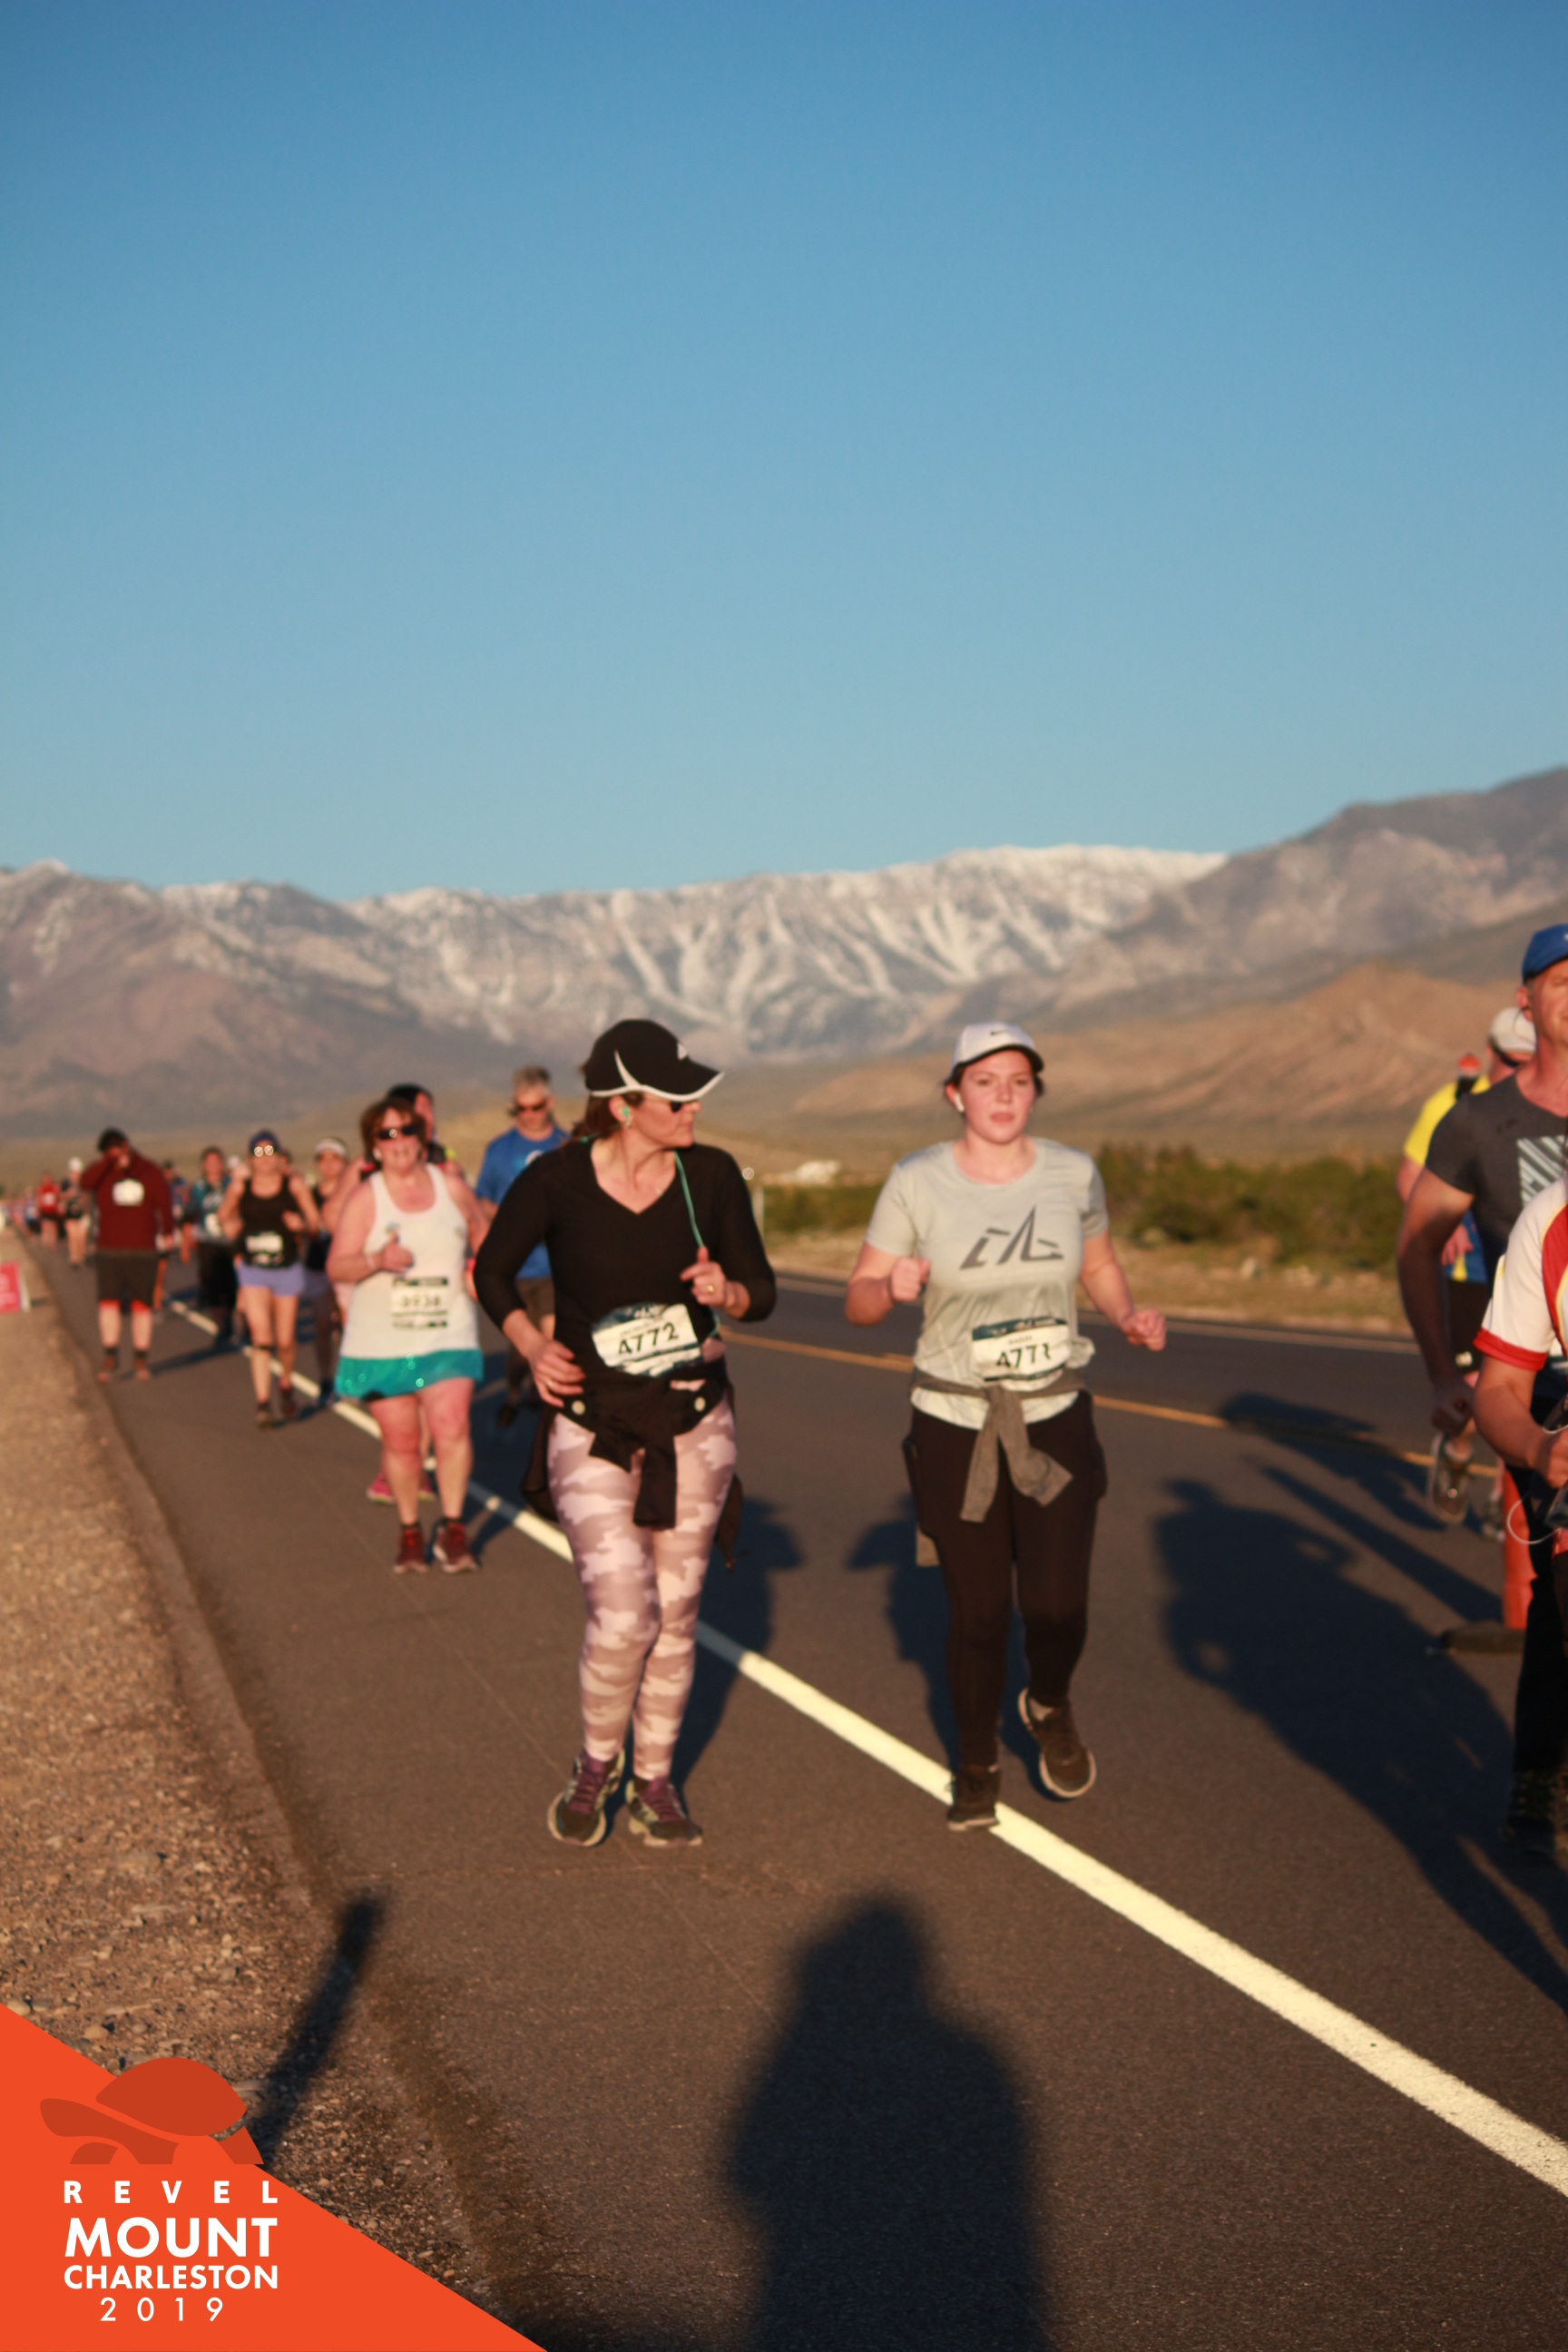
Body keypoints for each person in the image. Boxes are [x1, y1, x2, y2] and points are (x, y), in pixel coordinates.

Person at [846, 1022, 1166, 1831]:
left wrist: (1126, 1314)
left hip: (1055, 1410)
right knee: (980, 1612)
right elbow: (859, 1299)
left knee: (1056, 1607)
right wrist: (891, 1287)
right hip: (956, 1419)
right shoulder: (916, 1181)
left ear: (1036, 1093)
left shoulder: (1071, 1173)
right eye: (985, 1082)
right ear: (955, 1094)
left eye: (1019, 1082)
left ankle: (1048, 1702)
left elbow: (1097, 1262)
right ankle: (977, 1760)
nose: (1003, 1096)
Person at [474, 1019, 776, 1851]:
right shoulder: (555, 1179)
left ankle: (655, 1783)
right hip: (592, 1424)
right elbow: (491, 1269)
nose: (692, 1109)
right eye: (675, 1099)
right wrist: (530, 1345)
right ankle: (595, 1763)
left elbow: (760, 1288)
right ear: (621, 1105)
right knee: (623, 1615)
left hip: (693, 1420)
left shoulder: (709, 1175)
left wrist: (727, 1292)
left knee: (675, 1614)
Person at [1398, 926, 1568, 1859]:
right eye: (1557, 979)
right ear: (1524, 999)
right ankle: (1542, 1765)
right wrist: (1443, 1371)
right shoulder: (1477, 1126)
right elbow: (1419, 1245)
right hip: (1535, 1373)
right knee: (1559, 1581)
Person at [328, 1097, 490, 1573]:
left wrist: (479, 1270)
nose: (399, 1141)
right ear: (374, 1146)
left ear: (423, 1137)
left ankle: (454, 1528)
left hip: (448, 1330)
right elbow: (336, 1265)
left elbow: (483, 1235)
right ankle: (410, 1530)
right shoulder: (367, 1197)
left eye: (407, 1130)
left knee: (452, 1424)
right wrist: (376, 1260)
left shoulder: (452, 1187)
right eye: (387, 1134)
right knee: (402, 1441)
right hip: (383, 1340)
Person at [1396, 1009, 1535, 1525]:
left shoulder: (1547, 1102)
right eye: (1509, 1060)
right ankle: (1457, 1450)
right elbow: (1408, 1174)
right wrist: (1443, 1221)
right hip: (1470, 1272)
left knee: (1524, 1396)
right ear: (1491, 1053)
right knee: (1478, 1392)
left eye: (1527, 1060)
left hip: (1528, 1278)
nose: (1517, 1069)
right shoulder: (1454, 1106)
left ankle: (1508, 1499)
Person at [474, 1065, 570, 1424]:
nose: (529, 1115)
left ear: (550, 1103)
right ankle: (514, 1390)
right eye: (521, 1108)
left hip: (553, 1267)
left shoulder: (566, 1145)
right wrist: (515, 1220)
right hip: (514, 1268)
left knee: (554, 1341)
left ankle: (555, 1417)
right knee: (521, 1351)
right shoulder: (499, 1150)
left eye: (536, 1107)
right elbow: (481, 1200)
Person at [219, 1132, 318, 1428]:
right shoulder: (241, 1187)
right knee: (262, 1337)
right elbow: (223, 1215)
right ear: (250, 1158)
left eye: (270, 1152)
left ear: (279, 1155)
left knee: (285, 1341)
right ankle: (262, 1402)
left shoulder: (293, 1185)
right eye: (258, 1153)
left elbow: (315, 1223)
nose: (264, 1159)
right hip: (254, 1270)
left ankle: (285, 1382)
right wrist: (229, 1225)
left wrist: (301, 1225)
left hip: (286, 1268)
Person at [77, 1129, 174, 1382]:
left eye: (118, 1147)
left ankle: (141, 1357)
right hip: (109, 1250)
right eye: (109, 1150)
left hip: (143, 1250)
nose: (116, 1153)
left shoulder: (148, 1170)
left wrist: (168, 1231)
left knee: (142, 1304)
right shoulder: (103, 1173)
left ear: (127, 1146)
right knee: (108, 1303)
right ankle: (110, 1354)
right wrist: (107, 1163)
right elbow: (85, 1182)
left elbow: (163, 1200)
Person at [302, 1139, 349, 1396]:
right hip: (318, 1265)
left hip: (346, 1267)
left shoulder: (356, 1193)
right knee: (322, 1324)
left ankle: (348, 1377)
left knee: (347, 1324)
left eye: (335, 1159)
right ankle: (325, 1377)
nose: (329, 1165)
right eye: (324, 1160)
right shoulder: (309, 1194)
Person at [181, 1146, 239, 1345]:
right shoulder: (198, 1188)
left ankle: (230, 1316)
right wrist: (185, 1245)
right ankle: (219, 1326)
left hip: (230, 1242)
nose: (213, 1166)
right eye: (209, 1162)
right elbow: (189, 1217)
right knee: (211, 1285)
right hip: (207, 1242)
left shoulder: (231, 1184)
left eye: (216, 1162)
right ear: (203, 1165)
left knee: (232, 1284)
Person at [63, 1157, 91, 1268]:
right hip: (70, 1215)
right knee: (72, 1237)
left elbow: (87, 1198)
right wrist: (68, 1195)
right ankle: (74, 1258)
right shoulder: (66, 1184)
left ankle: (82, 1256)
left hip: (82, 1214)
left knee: (82, 1237)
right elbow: (60, 1196)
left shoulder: (84, 1183)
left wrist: (81, 1199)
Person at [34, 1171, 62, 1250]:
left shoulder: (54, 1187)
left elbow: (58, 1198)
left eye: (48, 1178)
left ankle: (53, 1244)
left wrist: (58, 1207)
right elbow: (38, 1199)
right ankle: (45, 1243)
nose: (47, 1180)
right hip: (44, 1210)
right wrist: (38, 1209)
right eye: (46, 1178)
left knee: (53, 1227)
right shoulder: (41, 1188)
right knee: (45, 1226)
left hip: (53, 1210)